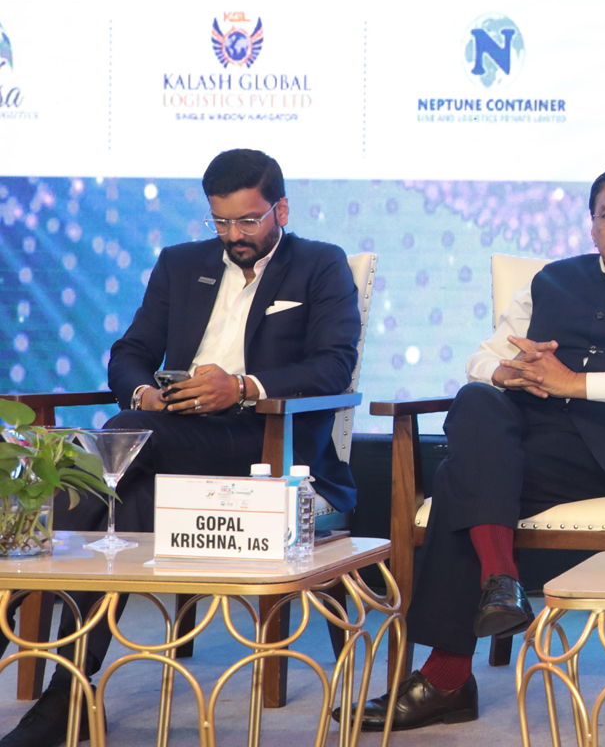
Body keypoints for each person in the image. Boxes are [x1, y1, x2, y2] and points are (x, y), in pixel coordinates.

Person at [0, 148, 363, 747]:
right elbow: (130, 351)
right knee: (129, 494)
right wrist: (144, 390)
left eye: (248, 221)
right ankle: (68, 695)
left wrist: (241, 387)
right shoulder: (180, 263)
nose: (234, 235)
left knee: (120, 442)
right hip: (174, 432)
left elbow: (333, 367)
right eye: (221, 221)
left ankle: (15, 604)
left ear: (281, 210)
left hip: (266, 440)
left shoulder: (320, 265)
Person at [350, 166, 605, 731]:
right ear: (591, 226)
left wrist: (576, 383)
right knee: (477, 398)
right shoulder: (552, 279)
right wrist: (505, 371)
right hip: (523, 438)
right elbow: (481, 357)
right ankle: (501, 585)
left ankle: (448, 676)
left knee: (460, 481)